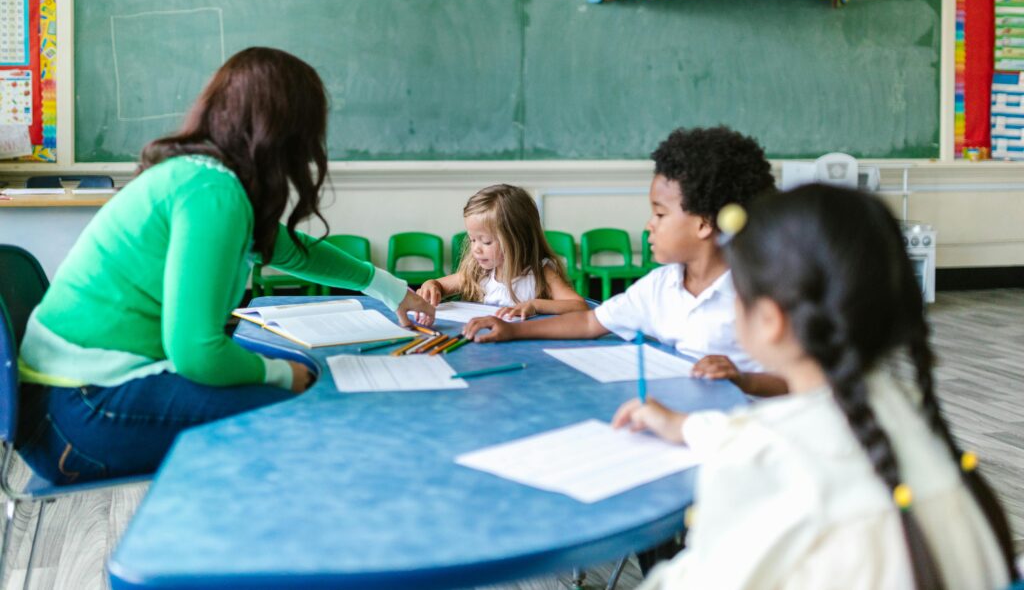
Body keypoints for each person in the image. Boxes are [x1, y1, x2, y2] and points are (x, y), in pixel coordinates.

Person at [16, 47, 435, 485]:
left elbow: (296, 251)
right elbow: (196, 352)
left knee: (304, 373)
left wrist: (393, 290)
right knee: (307, 409)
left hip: (64, 401)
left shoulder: (205, 179)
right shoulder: (213, 192)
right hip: (78, 412)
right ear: (283, 130)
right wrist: (279, 374)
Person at [614, 185, 1018, 590]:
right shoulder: (911, 413)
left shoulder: (762, 461)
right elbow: (798, 442)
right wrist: (685, 426)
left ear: (770, 320)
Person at [463, 127, 786, 397]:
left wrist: (745, 380)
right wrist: (511, 331)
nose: (649, 225)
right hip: (690, 420)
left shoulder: (760, 293)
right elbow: (591, 323)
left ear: (703, 223)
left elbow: (808, 381)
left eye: (660, 214)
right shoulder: (661, 286)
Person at [417, 184, 587, 320]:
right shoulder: (479, 272)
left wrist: (535, 305)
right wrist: (431, 285)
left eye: (486, 241)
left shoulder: (540, 272)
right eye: (472, 239)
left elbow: (578, 305)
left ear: (517, 240)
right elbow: (439, 285)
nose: (476, 248)